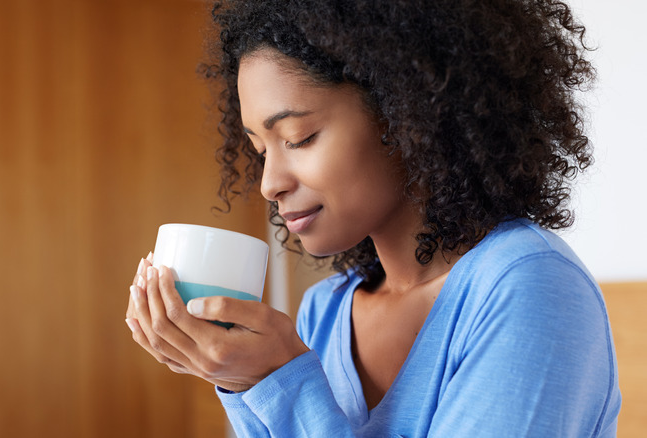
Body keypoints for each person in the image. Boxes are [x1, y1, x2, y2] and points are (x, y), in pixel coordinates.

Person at [125, 0, 621, 435]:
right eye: (259, 149)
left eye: (298, 138)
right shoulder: (324, 312)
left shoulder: (528, 286)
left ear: (407, 112)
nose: (268, 183)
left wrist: (279, 383)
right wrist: (240, 379)